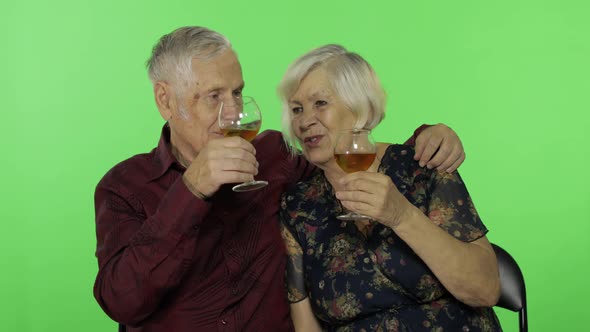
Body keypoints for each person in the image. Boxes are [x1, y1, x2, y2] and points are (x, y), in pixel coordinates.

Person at [93, 27, 467, 332]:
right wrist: (191, 189)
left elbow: (345, 156)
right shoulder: (124, 187)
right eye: (214, 97)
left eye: (237, 93)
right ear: (165, 100)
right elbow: (123, 302)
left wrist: (427, 138)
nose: (233, 114)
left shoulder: (274, 154)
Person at [277, 44, 502, 332]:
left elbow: (484, 289)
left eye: (320, 103)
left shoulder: (422, 166)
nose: (305, 121)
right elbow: (306, 325)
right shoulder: (298, 206)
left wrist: (401, 216)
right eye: (297, 109)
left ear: (360, 105)